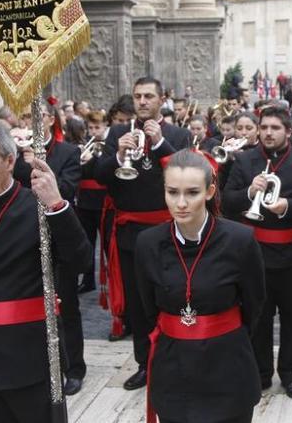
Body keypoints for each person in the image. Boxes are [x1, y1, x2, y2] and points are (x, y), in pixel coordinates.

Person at [0, 121, 91, 423]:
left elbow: (80, 261)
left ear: (10, 161)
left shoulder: (39, 210)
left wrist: (56, 203)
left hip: (31, 357)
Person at [135, 149, 265, 423]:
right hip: (173, 368)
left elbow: (254, 305)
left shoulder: (240, 240)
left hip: (228, 366)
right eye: (172, 192)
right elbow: (147, 308)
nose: (180, 203)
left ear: (209, 191)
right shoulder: (148, 243)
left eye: (192, 193)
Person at [95, 77, 191, 390]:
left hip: (168, 232)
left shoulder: (178, 133)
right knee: (138, 305)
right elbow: (99, 177)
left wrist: (161, 142)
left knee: (173, 298)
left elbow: (188, 173)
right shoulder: (119, 132)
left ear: (162, 98)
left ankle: (178, 362)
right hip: (130, 233)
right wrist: (117, 156)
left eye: (149, 96)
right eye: (138, 96)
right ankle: (144, 364)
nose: (142, 101)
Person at [222, 106, 292, 399]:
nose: (268, 133)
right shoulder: (244, 160)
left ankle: (290, 373)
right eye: (264, 127)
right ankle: (261, 372)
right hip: (255, 255)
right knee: (258, 316)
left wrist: (288, 207)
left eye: (275, 128)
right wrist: (249, 194)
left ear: (288, 132)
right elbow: (227, 202)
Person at [13, 102, 84, 395]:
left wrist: (37, 167)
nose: (30, 121)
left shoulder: (68, 152)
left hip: (61, 236)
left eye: (36, 116)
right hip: (25, 236)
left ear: (50, 119)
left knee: (66, 303)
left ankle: (75, 367)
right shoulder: (14, 156)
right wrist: (21, 162)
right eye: (25, 116)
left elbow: (66, 189)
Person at [76, 109, 111, 294]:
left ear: (105, 126)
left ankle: (113, 278)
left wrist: (94, 159)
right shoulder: (85, 145)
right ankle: (88, 279)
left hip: (103, 201)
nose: (93, 131)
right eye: (90, 127)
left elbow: (106, 172)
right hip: (84, 202)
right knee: (87, 243)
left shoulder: (109, 146)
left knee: (107, 244)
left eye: (97, 127)